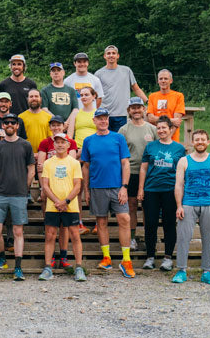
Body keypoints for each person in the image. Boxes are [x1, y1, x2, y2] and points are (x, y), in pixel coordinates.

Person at [80, 108, 134, 278]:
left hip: (117, 186)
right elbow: (86, 167)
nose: (103, 121)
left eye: (105, 118)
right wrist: (86, 190)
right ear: (94, 121)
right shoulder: (89, 141)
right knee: (101, 222)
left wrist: (124, 187)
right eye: (99, 119)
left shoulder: (118, 138)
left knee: (124, 218)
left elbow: (125, 163)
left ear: (108, 120)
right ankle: (106, 258)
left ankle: (126, 260)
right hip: (97, 187)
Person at [170, 130, 210, 285]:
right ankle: (181, 270)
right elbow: (179, 185)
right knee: (183, 237)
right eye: (197, 140)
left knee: (208, 238)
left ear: (208, 142)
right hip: (188, 204)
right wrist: (179, 206)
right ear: (192, 143)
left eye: (203, 139)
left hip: (209, 204)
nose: (200, 142)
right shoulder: (184, 161)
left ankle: (207, 271)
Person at [0, 113, 34, 279]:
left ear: (17, 125)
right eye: (6, 122)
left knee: (17, 231)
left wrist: (24, 186)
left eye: (12, 122)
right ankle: (2, 258)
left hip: (20, 195)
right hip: (1, 194)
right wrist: (4, 183)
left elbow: (31, 169)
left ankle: (18, 267)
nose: (9, 125)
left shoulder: (26, 145)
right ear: (3, 126)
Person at [138, 116, 187, 271]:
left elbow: (182, 171)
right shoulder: (151, 147)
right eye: (158, 128)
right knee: (150, 224)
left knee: (169, 224)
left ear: (171, 129)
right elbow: (144, 168)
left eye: (164, 128)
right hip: (151, 189)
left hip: (170, 191)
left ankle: (167, 258)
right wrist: (141, 188)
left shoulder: (179, 148)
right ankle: (150, 257)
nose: (161, 131)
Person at [37, 133, 87, 282]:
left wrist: (66, 201)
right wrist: (57, 201)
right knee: (50, 235)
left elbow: (78, 184)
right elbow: (45, 184)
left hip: (70, 206)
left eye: (62, 142)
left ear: (68, 145)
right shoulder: (48, 163)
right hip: (53, 206)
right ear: (53, 145)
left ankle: (79, 267)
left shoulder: (74, 163)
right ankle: (47, 267)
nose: (59, 145)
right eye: (57, 142)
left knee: (75, 235)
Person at [35, 115, 78, 269]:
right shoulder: (45, 143)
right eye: (53, 125)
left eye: (58, 125)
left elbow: (70, 165)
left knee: (64, 227)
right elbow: (40, 167)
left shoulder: (70, 142)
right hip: (49, 189)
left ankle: (64, 256)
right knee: (50, 227)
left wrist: (66, 199)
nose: (56, 128)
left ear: (63, 126)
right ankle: (51, 257)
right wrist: (42, 189)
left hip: (66, 191)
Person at [119, 96, 157, 249]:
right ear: (129, 111)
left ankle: (150, 238)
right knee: (132, 205)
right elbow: (120, 153)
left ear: (143, 109)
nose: (136, 110)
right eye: (133, 108)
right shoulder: (124, 129)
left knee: (149, 207)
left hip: (150, 173)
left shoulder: (152, 128)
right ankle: (132, 238)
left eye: (138, 107)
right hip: (132, 172)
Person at [95, 45, 146, 132]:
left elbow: (136, 88)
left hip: (122, 114)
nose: (111, 55)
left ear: (117, 56)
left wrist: (148, 101)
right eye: (108, 53)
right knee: (106, 140)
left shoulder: (126, 71)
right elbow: (95, 95)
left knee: (120, 140)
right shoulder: (98, 74)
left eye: (113, 53)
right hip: (104, 114)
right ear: (105, 56)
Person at [146, 69, 185, 142]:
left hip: (172, 139)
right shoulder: (152, 96)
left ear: (171, 81)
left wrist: (167, 139)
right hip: (155, 138)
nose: (163, 81)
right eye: (161, 79)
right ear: (158, 81)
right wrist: (171, 120)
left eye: (166, 78)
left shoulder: (178, 96)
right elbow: (150, 118)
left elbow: (177, 122)